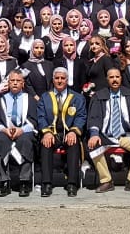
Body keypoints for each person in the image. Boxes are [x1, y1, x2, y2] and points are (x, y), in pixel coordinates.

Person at [86, 67, 130, 194]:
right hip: (105, 135)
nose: (115, 79)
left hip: (125, 135)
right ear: (107, 79)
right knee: (93, 146)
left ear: (121, 78)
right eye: (111, 77)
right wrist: (94, 134)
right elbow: (94, 118)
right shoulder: (99, 96)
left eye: (117, 77)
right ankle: (106, 181)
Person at [36, 66, 86, 197]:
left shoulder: (77, 97)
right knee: (45, 145)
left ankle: (72, 183)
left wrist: (74, 131)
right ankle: (46, 183)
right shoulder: (45, 97)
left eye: (62, 78)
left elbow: (81, 116)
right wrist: (46, 132)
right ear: (53, 80)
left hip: (69, 132)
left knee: (73, 144)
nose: (59, 81)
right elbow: (40, 117)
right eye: (57, 78)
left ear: (67, 80)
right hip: (51, 133)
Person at [0, 69, 38, 196]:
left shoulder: (30, 100)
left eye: (18, 81)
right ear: (8, 83)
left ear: (23, 83)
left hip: (24, 131)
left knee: (26, 141)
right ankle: (3, 182)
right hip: (5, 131)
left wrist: (21, 130)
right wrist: (4, 130)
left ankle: (24, 181)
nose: (15, 83)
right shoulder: (0, 101)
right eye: (12, 81)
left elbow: (34, 120)